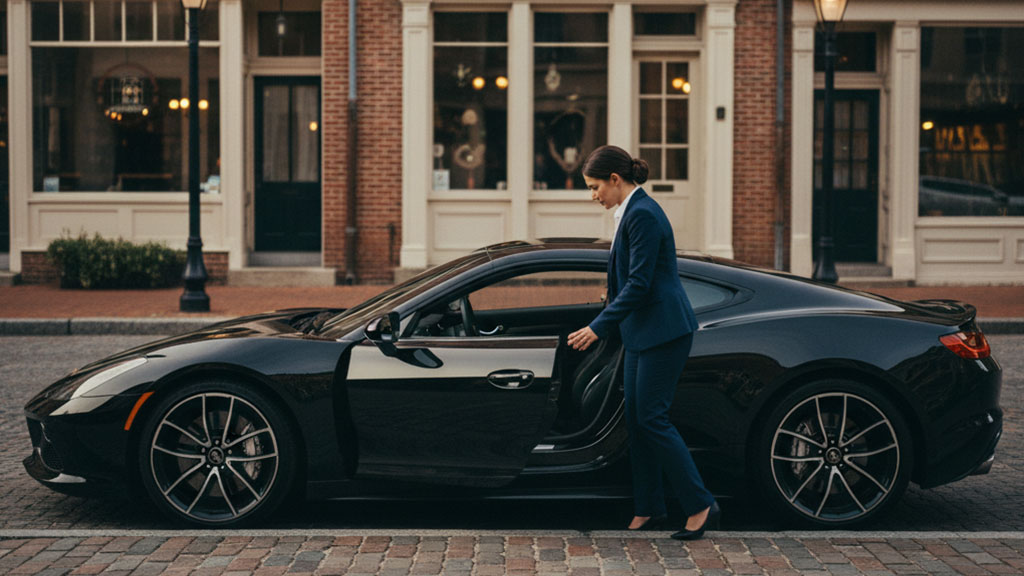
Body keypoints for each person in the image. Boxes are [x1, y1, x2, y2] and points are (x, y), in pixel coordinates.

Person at [567, 145, 720, 540]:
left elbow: (640, 284)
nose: (593, 195)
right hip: (643, 333)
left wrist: (598, 326)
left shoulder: (644, 215)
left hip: (664, 333)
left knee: (652, 418)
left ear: (615, 180)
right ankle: (649, 508)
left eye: (595, 187)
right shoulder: (632, 213)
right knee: (637, 422)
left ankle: (701, 504)